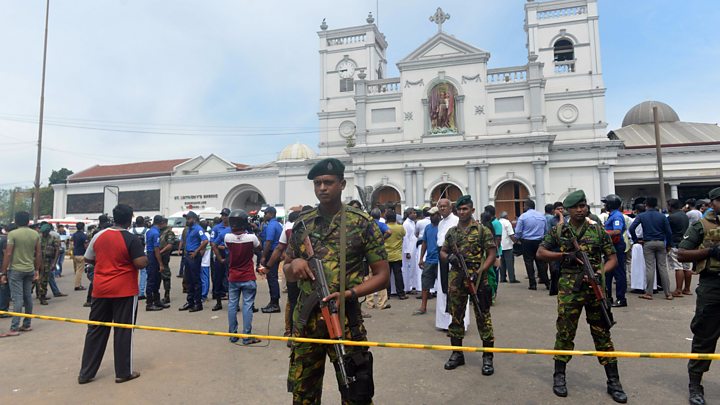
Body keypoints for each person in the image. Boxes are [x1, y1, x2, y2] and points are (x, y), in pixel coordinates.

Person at [283, 157, 389, 404]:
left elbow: (382, 275)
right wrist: (294, 265)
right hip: (307, 325)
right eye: (318, 183)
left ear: (341, 184)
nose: (322, 188)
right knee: (303, 396)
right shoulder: (302, 225)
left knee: (356, 394)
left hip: (345, 322)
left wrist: (349, 294)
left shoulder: (360, 223)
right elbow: (287, 267)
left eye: (328, 182)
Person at [536, 190, 627, 403]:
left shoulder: (597, 230)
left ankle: (613, 381)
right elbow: (540, 253)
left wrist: (600, 272)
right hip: (569, 290)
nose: (580, 209)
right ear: (567, 209)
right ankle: (559, 376)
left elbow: (612, 258)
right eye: (576, 206)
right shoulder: (559, 230)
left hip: (595, 287)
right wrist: (564, 255)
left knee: (602, 333)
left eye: (583, 205)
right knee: (565, 332)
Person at [78, 204, 147, 385]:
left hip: (101, 289)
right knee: (123, 330)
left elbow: (88, 258)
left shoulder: (99, 235)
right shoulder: (131, 238)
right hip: (124, 290)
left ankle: (86, 373)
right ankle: (123, 372)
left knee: (96, 329)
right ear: (130, 218)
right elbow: (140, 263)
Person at [440, 195, 497, 374]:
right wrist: (449, 257)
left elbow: (491, 254)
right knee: (456, 316)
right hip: (456, 279)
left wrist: (481, 271)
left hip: (478, 279)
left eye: (465, 209)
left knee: (483, 316)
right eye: (460, 209)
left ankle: (487, 357)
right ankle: (457, 354)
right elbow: (442, 251)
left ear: (472, 210)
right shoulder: (452, 232)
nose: (462, 212)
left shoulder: (482, 230)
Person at [678, 187, 720, 405]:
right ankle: (695, 384)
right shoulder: (700, 225)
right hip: (712, 285)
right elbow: (682, 252)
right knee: (705, 335)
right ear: (712, 203)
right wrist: (710, 252)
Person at [225, 209, 262, 345]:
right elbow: (259, 247)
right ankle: (247, 335)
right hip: (247, 276)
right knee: (247, 306)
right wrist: (254, 229)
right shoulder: (251, 238)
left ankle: (233, 334)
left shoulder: (227, 237)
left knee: (232, 305)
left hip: (233, 276)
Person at [0, 212, 41, 334]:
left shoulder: (13, 234)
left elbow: (8, 253)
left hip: (16, 270)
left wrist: (3, 272)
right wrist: (37, 269)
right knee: (28, 297)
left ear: (16, 222)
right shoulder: (35, 234)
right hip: (29, 269)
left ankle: (14, 327)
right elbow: (38, 253)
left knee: (17, 298)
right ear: (28, 221)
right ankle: (27, 324)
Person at [629, 196, 673, 300]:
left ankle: (649, 293)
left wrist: (636, 240)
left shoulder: (642, 216)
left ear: (646, 205)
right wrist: (669, 244)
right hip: (661, 242)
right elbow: (669, 232)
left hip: (648, 243)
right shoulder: (662, 216)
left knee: (650, 268)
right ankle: (668, 293)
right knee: (663, 268)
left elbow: (632, 228)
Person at [436, 197, 461, 330]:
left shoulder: (456, 221)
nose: (442, 208)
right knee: (443, 288)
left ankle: (456, 322)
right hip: (442, 256)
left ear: (451, 208)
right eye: (440, 206)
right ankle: (444, 322)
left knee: (454, 289)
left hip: (453, 257)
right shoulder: (440, 223)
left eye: (445, 206)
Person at [515, 199, 549, 290]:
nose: (523, 207)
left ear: (527, 206)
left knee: (528, 262)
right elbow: (546, 230)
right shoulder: (542, 216)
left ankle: (532, 284)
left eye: (524, 205)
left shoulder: (523, 217)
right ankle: (547, 283)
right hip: (539, 241)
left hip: (527, 241)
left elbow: (518, 231)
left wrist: (517, 239)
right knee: (541, 262)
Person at [178, 211, 208, 312]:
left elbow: (205, 241)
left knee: (196, 280)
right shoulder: (189, 229)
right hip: (187, 256)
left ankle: (198, 303)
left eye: (189, 219)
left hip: (194, 256)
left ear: (194, 219)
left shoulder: (198, 229)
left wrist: (196, 251)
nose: (187, 220)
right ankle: (190, 301)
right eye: (187, 219)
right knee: (188, 280)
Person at [602, 194, 628, 308]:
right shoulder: (612, 215)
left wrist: (602, 233)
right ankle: (608, 297)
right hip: (610, 246)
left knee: (618, 273)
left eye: (606, 203)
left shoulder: (617, 216)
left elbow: (617, 231)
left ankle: (621, 298)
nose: (605, 205)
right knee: (608, 273)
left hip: (616, 246)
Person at [415, 207, 441, 315]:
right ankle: (423, 307)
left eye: (433, 215)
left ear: (439, 215)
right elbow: (424, 243)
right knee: (425, 285)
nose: (431, 217)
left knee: (442, 286)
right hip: (429, 260)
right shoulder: (428, 228)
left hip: (440, 261)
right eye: (430, 215)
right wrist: (421, 258)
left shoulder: (442, 227)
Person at [259, 206, 283, 313]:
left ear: (271, 214)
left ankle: (275, 304)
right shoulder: (277, 224)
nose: (264, 215)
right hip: (275, 253)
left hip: (272, 253)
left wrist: (263, 256)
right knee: (272, 277)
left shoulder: (272, 226)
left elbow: (268, 242)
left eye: (266, 213)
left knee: (272, 278)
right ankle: (273, 301)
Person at [666, 199, 692, 297]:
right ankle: (687, 289)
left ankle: (678, 290)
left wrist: (668, 244)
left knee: (678, 267)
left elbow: (668, 232)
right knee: (687, 267)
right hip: (686, 243)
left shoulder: (671, 217)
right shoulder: (685, 216)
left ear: (670, 206)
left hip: (675, 243)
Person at [366, 208, 390, 310]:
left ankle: (370, 303)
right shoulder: (380, 224)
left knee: (368, 277)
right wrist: (382, 240)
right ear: (380, 216)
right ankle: (381, 303)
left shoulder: (367, 224)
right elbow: (389, 231)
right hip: (379, 253)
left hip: (367, 253)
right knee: (381, 276)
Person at [37, 223, 65, 305]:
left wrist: (54, 263)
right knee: (35, 280)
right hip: (38, 261)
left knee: (45, 280)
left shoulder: (53, 238)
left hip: (48, 262)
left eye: (45, 232)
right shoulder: (38, 238)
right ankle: (30, 296)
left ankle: (42, 296)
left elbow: (57, 251)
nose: (44, 233)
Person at [144, 215, 167, 311]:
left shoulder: (149, 231)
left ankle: (156, 301)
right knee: (152, 280)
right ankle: (149, 303)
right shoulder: (155, 233)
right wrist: (160, 263)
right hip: (153, 256)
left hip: (149, 255)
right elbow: (156, 249)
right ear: (161, 223)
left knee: (156, 279)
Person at [210, 208, 232, 311]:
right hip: (219, 253)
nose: (224, 217)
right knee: (217, 278)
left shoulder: (233, 228)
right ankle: (218, 302)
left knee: (231, 278)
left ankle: (233, 302)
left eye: (226, 215)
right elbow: (212, 242)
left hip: (230, 254)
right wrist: (221, 248)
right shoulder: (216, 228)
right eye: (223, 215)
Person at [384, 209, 406, 299]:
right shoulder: (400, 227)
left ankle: (387, 294)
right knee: (398, 275)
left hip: (386, 255)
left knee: (387, 276)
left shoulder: (384, 227)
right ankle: (401, 294)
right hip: (397, 255)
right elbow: (404, 235)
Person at [158, 217, 177, 304]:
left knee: (166, 275)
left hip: (164, 255)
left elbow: (170, 245)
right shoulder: (158, 231)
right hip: (158, 255)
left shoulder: (169, 232)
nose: (159, 225)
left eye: (161, 223)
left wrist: (160, 252)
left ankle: (167, 295)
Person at [130, 216, 148, 300]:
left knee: (132, 272)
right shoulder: (147, 231)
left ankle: (132, 290)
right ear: (143, 222)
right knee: (144, 273)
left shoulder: (131, 231)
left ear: (136, 223)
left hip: (132, 254)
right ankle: (141, 292)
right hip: (144, 253)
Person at [498, 211, 518, 283]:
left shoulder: (498, 222)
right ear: (506, 216)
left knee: (502, 263)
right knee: (510, 263)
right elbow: (511, 234)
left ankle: (503, 278)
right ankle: (512, 278)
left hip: (500, 245)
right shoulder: (507, 222)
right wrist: (516, 241)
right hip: (507, 246)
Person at [402, 207, 418, 295]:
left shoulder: (413, 223)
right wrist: (407, 251)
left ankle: (413, 285)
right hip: (409, 248)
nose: (415, 214)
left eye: (415, 213)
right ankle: (408, 287)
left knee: (413, 268)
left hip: (413, 247)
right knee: (408, 268)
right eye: (413, 213)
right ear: (409, 214)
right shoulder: (406, 224)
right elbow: (405, 238)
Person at [72, 222, 88, 291]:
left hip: (75, 254)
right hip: (81, 254)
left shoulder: (74, 235)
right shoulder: (83, 235)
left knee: (77, 270)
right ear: (83, 227)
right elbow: (86, 245)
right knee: (80, 271)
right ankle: (77, 285)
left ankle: (78, 284)